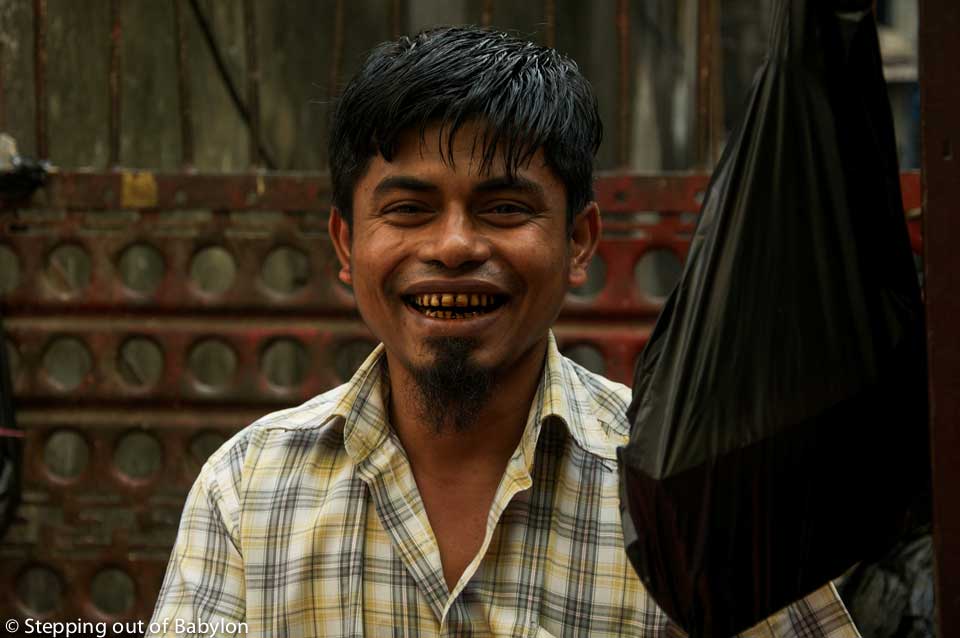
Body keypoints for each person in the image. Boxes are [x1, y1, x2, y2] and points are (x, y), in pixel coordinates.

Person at [147, 27, 859, 637]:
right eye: (409, 209)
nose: (454, 246)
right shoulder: (247, 490)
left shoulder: (692, 497)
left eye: (505, 208)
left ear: (579, 242)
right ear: (345, 245)